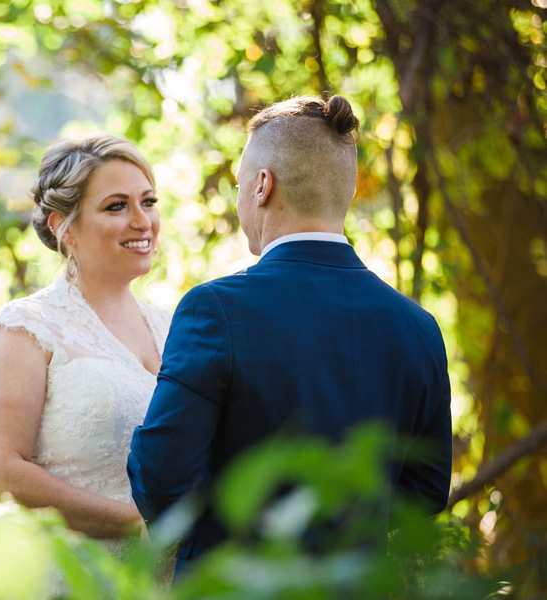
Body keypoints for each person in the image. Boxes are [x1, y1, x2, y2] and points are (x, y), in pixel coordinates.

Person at [127, 95, 452, 575]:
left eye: (240, 183)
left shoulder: (215, 310)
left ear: (262, 185)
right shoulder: (419, 328)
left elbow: (160, 476)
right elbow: (424, 493)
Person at [0, 136, 172, 556]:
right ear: (63, 226)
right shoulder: (22, 331)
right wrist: (135, 523)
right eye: (117, 206)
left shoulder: (174, 326)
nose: (142, 221)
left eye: (148, 202)